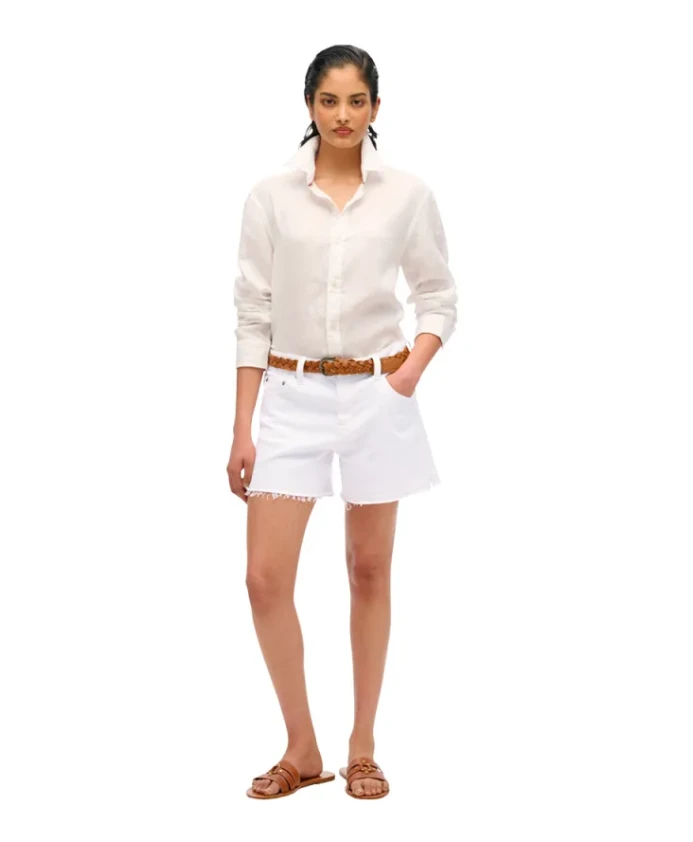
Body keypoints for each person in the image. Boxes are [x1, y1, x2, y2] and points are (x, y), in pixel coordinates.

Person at [227, 44, 458, 800]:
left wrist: (408, 373)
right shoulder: (270, 197)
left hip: (376, 395)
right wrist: (242, 426)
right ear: (309, 106)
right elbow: (252, 312)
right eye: (329, 100)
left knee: (368, 569)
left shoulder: (407, 195)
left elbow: (437, 296)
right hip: (289, 395)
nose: (343, 115)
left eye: (357, 101)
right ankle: (302, 749)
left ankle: (363, 746)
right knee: (264, 578)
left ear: (376, 108)